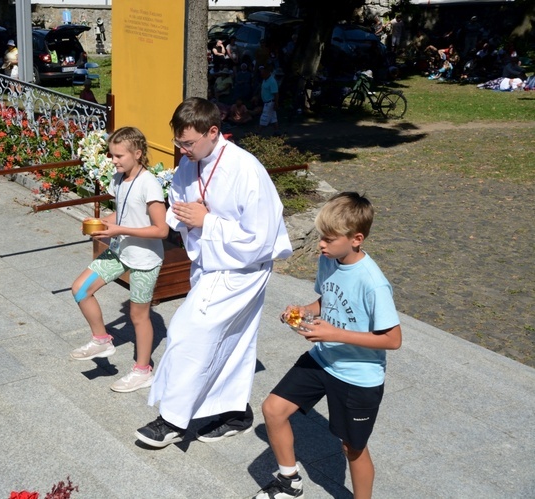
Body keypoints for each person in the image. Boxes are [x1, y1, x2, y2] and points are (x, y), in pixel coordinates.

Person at [134, 97, 292, 448]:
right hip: (208, 265)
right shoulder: (190, 163)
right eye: (178, 142)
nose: (182, 150)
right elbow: (178, 204)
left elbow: (262, 236)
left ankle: (172, 420)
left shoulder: (245, 169)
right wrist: (186, 217)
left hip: (241, 269)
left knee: (188, 333)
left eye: (188, 143)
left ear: (214, 131)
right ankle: (235, 413)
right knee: (231, 341)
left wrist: (209, 221)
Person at [253, 192, 402, 499]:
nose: (321, 244)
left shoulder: (373, 282)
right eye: (321, 236)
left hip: (358, 377)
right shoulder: (329, 260)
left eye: (329, 239)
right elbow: (327, 298)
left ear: (356, 238)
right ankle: (289, 482)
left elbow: (393, 339)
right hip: (323, 359)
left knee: (353, 449)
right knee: (273, 409)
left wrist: (335, 334)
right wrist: (304, 311)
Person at [70, 127, 169, 393]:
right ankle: (101, 339)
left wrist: (119, 229)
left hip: (144, 259)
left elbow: (161, 230)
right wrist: (102, 223)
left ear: (137, 154)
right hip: (120, 250)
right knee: (80, 289)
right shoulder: (119, 178)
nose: (113, 160)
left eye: (118, 155)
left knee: (139, 316)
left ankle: (142, 371)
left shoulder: (150, 184)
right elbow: (123, 215)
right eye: (111, 155)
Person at [258, 64, 279, 133]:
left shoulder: (272, 81)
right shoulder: (264, 80)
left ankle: (258, 132)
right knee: (273, 118)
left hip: (270, 103)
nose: (261, 75)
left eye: (263, 74)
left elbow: (276, 93)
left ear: (267, 73)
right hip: (266, 102)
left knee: (263, 118)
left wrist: (276, 103)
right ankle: (277, 132)